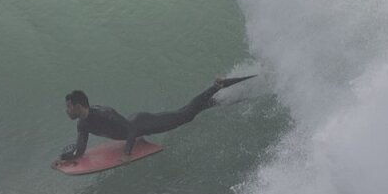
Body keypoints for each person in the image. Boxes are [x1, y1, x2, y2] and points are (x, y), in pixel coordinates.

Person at [61, 75, 256, 161]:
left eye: (68, 107)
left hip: (141, 122)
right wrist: (64, 159)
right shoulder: (83, 125)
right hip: (136, 126)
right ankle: (221, 101)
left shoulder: (103, 113)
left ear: (78, 106)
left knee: (185, 115)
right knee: (187, 112)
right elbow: (81, 149)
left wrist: (127, 153)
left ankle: (217, 86)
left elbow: (131, 130)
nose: (67, 111)